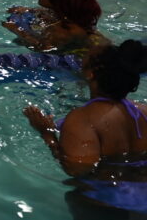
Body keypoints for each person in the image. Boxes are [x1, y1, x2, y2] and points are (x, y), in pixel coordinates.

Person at [22, 39, 147, 217]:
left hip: (102, 202)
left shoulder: (82, 119)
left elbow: (76, 169)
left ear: (90, 74)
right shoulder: (144, 111)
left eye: (85, 58)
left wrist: (46, 133)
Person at [3, 0, 107, 55]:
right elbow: (49, 13)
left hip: (82, 56)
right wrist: (28, 10)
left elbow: (42, 48)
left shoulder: (63, 32)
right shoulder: (67, 15)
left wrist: (16, 30)